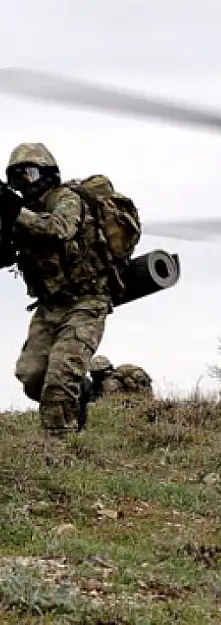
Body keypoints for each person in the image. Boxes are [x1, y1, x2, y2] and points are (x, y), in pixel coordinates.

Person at [0, 143, 114, 441]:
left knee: (61, 375)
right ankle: (82, 393)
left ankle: (57, 448)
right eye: (16, 179)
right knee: (31, 376)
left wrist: (14, 211)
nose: (23, 183)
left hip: (87, 301)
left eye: (29, 174)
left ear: (48, 174)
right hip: (49, 306)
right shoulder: (22, 216)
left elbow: (59, 228)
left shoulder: (65, 198)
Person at [88, 355, 154, 401]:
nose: (91, 376)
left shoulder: (109, 383)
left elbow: (110, 402)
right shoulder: (118, 377)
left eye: (92, 373)